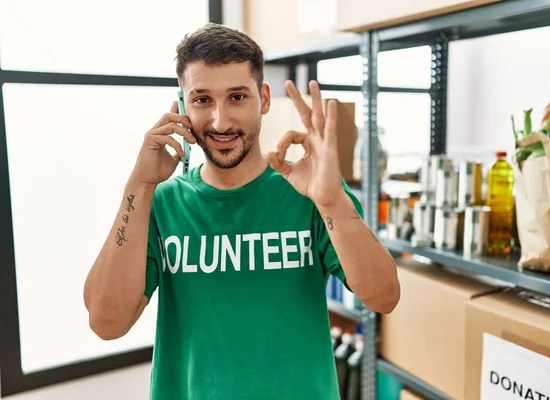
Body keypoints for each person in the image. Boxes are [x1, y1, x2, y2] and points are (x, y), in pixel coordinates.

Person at [83, 22, 400, 400]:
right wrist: (139, 185)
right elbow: (107, 322)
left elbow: (383, 298)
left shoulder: (312, 192)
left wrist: (333, 202)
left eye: (237, 97)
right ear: (183, 105)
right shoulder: (161, 203)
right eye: (202, 99)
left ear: (263, 98)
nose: (220, 121)